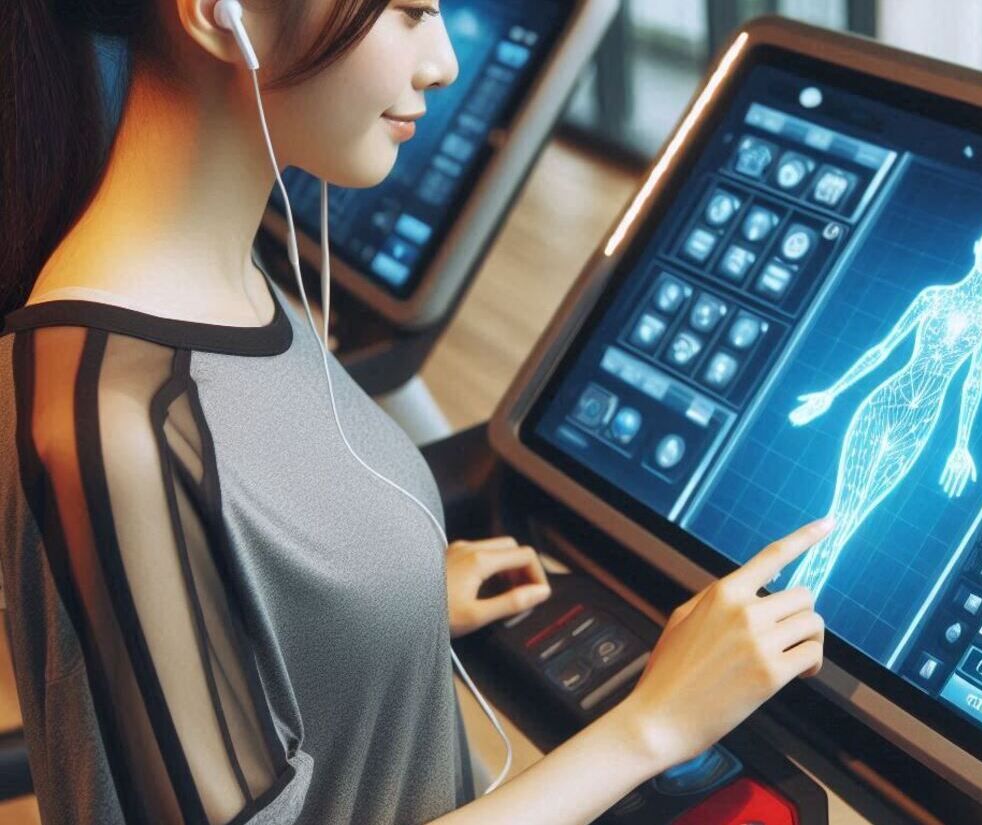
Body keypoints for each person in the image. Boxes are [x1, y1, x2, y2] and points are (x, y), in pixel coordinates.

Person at [0, 2, 831, 823]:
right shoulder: (110, 424)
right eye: (406, 12)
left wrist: (391, 606)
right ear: (223, 14)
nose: (444, 61)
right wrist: (654, 726)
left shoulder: (232, 270)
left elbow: (236, 573)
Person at [787, 215, 982, 597]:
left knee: (849, 523)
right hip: (883, 402)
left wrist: (961, 445)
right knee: (839, 517)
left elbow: (975, 378)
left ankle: (788, 602)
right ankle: (789, 604)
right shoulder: (933, 296)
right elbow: (884, 349)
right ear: (977, 244)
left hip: (922, 419)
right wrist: (832, 392)